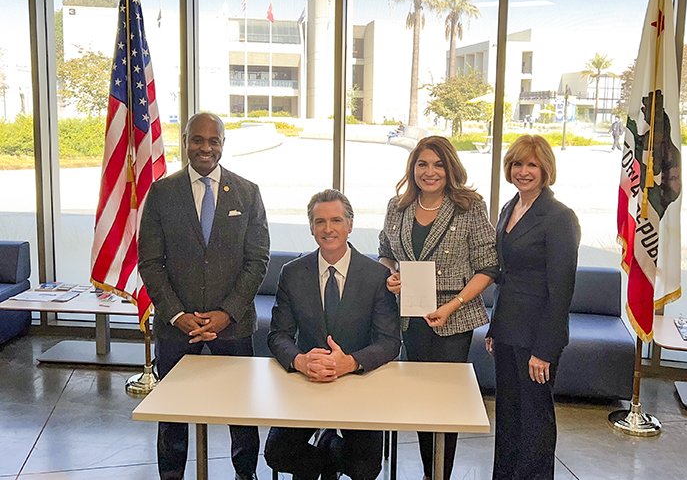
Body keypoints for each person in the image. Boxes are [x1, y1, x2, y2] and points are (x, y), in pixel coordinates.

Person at [139, 112, 270, 480]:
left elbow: (257, 259)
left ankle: (246, 474)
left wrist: (227, 312)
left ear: (223, 145)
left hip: (233, 326)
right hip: (176, 328)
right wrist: (177, 315)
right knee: (173, 414)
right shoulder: (162, 193)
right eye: (198, 139)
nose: (205, 148)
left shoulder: (247, 192)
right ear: (185, 141)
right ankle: (171, 476)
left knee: (241, 411)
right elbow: (150, 262)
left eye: (214, 141)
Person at [378, 135, 498, 480]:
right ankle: (430, 469)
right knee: (418, 400)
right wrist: (391, 274)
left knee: (444, 404)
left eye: (438, 164)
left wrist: (453, 305)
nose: (430, 172)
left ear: (450, 168)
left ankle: (439, 474)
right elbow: (385, 252)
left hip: (451, 319)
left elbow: (488, 266)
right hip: (409, 317)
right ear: (412, 168)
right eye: (422, 164)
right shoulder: (396, 206)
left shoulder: (469, 206)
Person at [265, 189, 400, 480]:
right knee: (276, 454)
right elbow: (278, 335)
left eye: (336, 220)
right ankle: (324, 462)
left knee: (365, 468)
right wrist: (300, 361)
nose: (328, 229)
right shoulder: (292, 272)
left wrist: (349, 363)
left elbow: (390, 342)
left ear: (350, 225)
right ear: (311, 228)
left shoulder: (376, 275)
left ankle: (328, 443)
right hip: (307, 381)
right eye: (320, 221)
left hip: (359, 382)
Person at [485, 134, 580, 480]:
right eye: (517, 164)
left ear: (545, 170)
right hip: (508, 330)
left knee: (535, 418)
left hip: (537, 336)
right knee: (508, 414)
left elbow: (561, 290)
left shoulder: (559, 217)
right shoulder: (510, 208)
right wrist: (495, 329)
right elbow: (505, 276)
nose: (523, 171)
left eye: (532, 165)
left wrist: (544, 349)